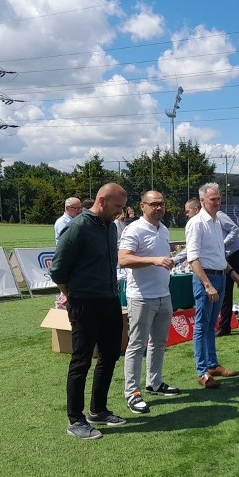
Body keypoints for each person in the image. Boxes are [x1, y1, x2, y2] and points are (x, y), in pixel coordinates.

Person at [49, 183, 129, 440]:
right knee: (81, 360)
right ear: (103, 201)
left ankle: (98, 410)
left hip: (109, 300)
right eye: (117, 206)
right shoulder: (78, 227)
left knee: (110, 355)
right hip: (84, 302)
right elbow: (58, 270)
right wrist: (72, 295)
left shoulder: (109, 227)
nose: (120, 212)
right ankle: (75, 419)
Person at [118, 190, 179, 415]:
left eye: (161, 204)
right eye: (153, 204)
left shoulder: (163, 229)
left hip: (163, 294)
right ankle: (132, 393)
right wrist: (154, 260)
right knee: (137, 345)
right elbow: (123, 259)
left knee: (159, 343)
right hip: (141, 296)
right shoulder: (133, 229)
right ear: (142, 206)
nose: (159, 208)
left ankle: (154, 382)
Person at [185, 183, 239, 388]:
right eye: (213, 199)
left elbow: (218, 255)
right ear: (202, 201)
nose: (218, 202)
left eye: (218, 198)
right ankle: (202, 372)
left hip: (220, 276)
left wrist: (231, 272)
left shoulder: (217, 222)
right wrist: (207, 284)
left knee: (210, 324)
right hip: (206, 279)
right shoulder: (196, 223)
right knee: (201, 325)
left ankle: (212, 364)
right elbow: (193, 258)